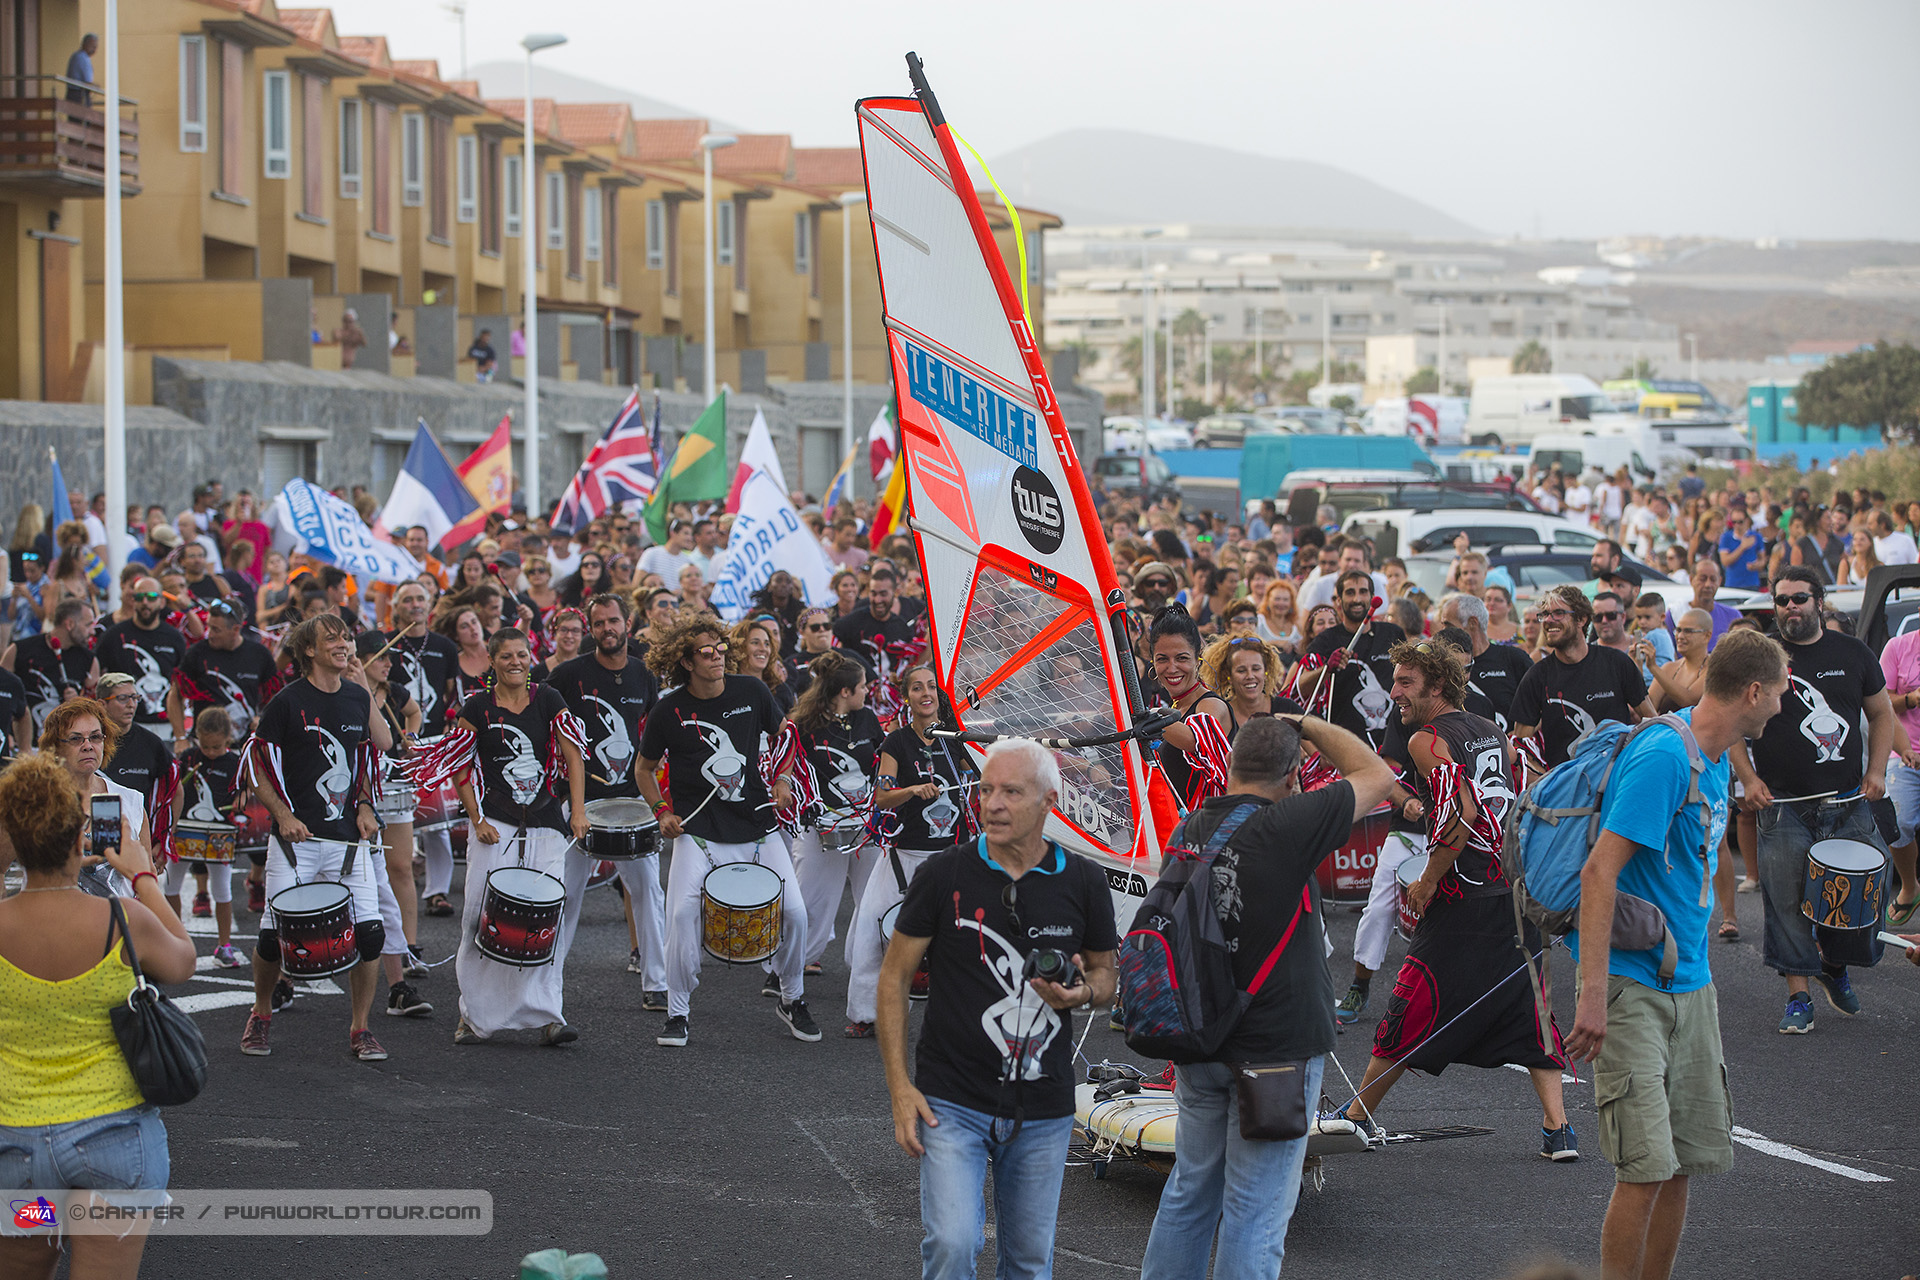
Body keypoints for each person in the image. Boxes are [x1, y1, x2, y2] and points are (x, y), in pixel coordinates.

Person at [1565, 630, 1789, 1280]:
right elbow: (1598, 873)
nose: (1782, 704)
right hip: (1632, 990)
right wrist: (1593, 995)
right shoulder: (1666, 755)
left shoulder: (1716, 756)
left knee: (1682, 1165)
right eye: (1780, 692)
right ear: (1754, 692)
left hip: (1691, 985)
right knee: (1644, 1170)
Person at [1138, 714, 1393, 1279]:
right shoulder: (1288, 823)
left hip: (1199, 1036)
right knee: (1255, 1209)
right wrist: (1306, 723)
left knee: (1190, 1191)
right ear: (1294, 775)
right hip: (1276, 1049)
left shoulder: (1192, 828)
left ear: (1230, 765)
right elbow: (1376, 774)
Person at [878, 738, 1117, 1280]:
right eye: (986, 790)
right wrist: (899, 1088)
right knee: (953, 1242)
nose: (993, 804)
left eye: (1011, 792)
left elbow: (1106, 976)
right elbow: (893, 977)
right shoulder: (943, 874)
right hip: (950, 1098)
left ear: (1050, 801)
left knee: (1030, 1263)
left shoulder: (1083, 879)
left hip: (1043, 1103)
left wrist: (1081, 994)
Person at [1341, 639, 1578, 1161]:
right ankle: (1559, 1129)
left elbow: (1460, 814)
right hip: (1513, 892)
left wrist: (1428, 880)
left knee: (1411, 1001)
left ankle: (1355, 1117)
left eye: (1406, 682)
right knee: (1530, 1008)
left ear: (1437, 687)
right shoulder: (1491, 728)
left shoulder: (1427, 740)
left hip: (1464, 895)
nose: (1394, 692)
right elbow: (1516, 788)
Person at [0, 752, 195, 1280]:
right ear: (78, 835)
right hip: (113, 1148)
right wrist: (142, 873)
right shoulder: (121, 919)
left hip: (18, 1155)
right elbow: (183, 961)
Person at [1732, 566, 1895, 1033]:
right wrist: (1748, 779)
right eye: (1782, 600)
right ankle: (1798, 998)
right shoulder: (1760, 657)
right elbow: (1731, 722)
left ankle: (1834, 964)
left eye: (1799, 598)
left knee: (1867, 893)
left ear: (1819, 602)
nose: (1790, 607)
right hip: (1782, 806)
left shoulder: (1853, 651)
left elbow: (1882, 714)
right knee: (1786, 904)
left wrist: (1877, 770)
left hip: (1848, 802)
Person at [636, 614, 811, 1047]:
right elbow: (643, 768)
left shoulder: (751, 691)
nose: (717, 657)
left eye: (720, 650)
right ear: (686, 661)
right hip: (697, 832)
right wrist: (661, 810)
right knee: (681, 915)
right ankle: (677, 1012)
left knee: (795, 913)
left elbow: (786, 736)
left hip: (757, 825)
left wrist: (783, 778)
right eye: (706, 653)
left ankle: (792, 997)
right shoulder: (667, 710)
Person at [238, 614, 394, 1062]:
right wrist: (283, 816)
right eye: (332, 639)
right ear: (308, 650)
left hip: (348, 843)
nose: (344, 645)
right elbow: (256, 765)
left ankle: (360, 1028)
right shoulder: (287, 702)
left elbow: (379, 746)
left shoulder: (356, 696)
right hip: (296, 843)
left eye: (346, 638)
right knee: (273, 939)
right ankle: (261, 1013)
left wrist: (365, 805)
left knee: (370, 935)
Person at [422, 629, 588, 1046]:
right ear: (492, 662)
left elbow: (573, 755)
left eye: (522, 654)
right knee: (478, 917)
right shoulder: (477, 707)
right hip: (496, 822)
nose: (516, 662)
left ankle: (548, 1014)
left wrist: (577, 811)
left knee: (543, 920)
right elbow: (459, 766)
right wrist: (476, 819)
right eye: (507, 656)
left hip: (546, 821)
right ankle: (474, 1014)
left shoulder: (548, 698)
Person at [545, 593, 669, 1012]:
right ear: (591, 629)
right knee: (564, 895)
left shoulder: (643, 674)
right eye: (598, 623)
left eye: (613, 621)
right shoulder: (568, 675)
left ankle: (656, 982)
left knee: (649, 890)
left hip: (631, 802)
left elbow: (653, 728)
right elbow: (544, 723)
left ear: (627, 623)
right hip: (579, 803)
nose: (606, 629)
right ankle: (546, 985)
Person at [844, 664, 974, 1038]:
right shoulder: (896, 742)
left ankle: (965, 1018)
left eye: (931, 686)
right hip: (903, 858)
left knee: (963, 938)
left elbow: (987, 775)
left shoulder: (956, 740)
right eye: (917, 687)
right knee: (871, 928)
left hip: (950, 858)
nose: (926, 693)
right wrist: (913, 790)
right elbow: (883, 797)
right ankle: (866, 1015)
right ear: (906, 697)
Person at [780, 652, 883, 984]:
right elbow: (784, 768)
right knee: (812, 905)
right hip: (819, 827)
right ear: (845, 692)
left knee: (874, 901)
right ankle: (785, 969)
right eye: (862, 686)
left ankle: (864, 967)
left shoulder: (867, 718)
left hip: (866, 826)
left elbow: (883, 761)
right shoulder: (804, 726)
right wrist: (784, 788)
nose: (867, 691)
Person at [355, 632, 431, 1015]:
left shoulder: (395, 691)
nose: (388, 664)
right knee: (358, 873)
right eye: (381, 657)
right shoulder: (349, 690)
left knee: (399, 867)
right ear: (362, 660)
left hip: (394, 782)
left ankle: (409, 947)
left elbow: (414, 712)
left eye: (389, 657)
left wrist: (412, 736)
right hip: (359, 787)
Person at [1510, 585, 1655, 783]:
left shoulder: (1617, 663)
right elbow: (1521, 748)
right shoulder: (1537, 676)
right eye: (1545, 615)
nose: (1549, 620)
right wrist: (1548, 782)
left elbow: (1652, 721)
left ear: (1581, 619)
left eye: (1558, 613)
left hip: (1616, 781)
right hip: (1567, 787)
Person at [1295, 569, 1406, 752]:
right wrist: (1326, 669)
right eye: (1350, 593)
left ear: (1372, 597)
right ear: (1338, 600)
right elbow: (1301, 688)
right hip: (1345, 746)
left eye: (1363, 592)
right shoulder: (1326, 640)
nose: (1357, 599)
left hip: (1392, 744)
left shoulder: (1392, 633)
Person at [94, 577, 187, 751]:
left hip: (166, 726)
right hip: (125, 726)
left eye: (151, 597)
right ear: (133, 600)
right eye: (139, 597)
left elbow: (183, 684)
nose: (145, 602)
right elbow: (96, 678)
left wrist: (181, 734)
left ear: (162, 601)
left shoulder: (174, 638)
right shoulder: (114, 636)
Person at [3, 596, 98, 738]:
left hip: (67, 742)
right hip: (23, 742)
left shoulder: (89, 660)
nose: (92, 632)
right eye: (88, 625)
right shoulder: (19, 650)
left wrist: (79, 703)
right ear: (70, 624)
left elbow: (96, 707)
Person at [1437, 592, 1532, 731]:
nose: (1443, 632)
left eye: (1448, 625)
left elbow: (1540, 705)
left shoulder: (1514, 659)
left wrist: (1517, 738)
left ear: (1472, 623)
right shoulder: (1440, 666)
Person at [1645, 609, 1710, 714]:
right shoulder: (1669, 668)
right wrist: (1636, 666)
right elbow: (1648, 708)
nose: (1680, 636)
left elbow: (1688, 701)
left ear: (1706, 636)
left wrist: (1654, 668)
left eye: (1688, 631)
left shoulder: (1713, 669)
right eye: (1678, 630)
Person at [1666, 559, 1739, 649]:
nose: (1708, 585)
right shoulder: (1675, 614)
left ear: (1719, 581)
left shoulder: (1733, 616)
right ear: (1691, 579)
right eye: (1702, 579)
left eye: (1713, 579)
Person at [62, 33, 97, 103]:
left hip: (77, 93)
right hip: (78, 94)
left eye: (95, 47)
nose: (94, 50)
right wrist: (95, 87)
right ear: (85, 44)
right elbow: (87, 81)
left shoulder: (81, 56)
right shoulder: (81, 57)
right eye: (92, 46)